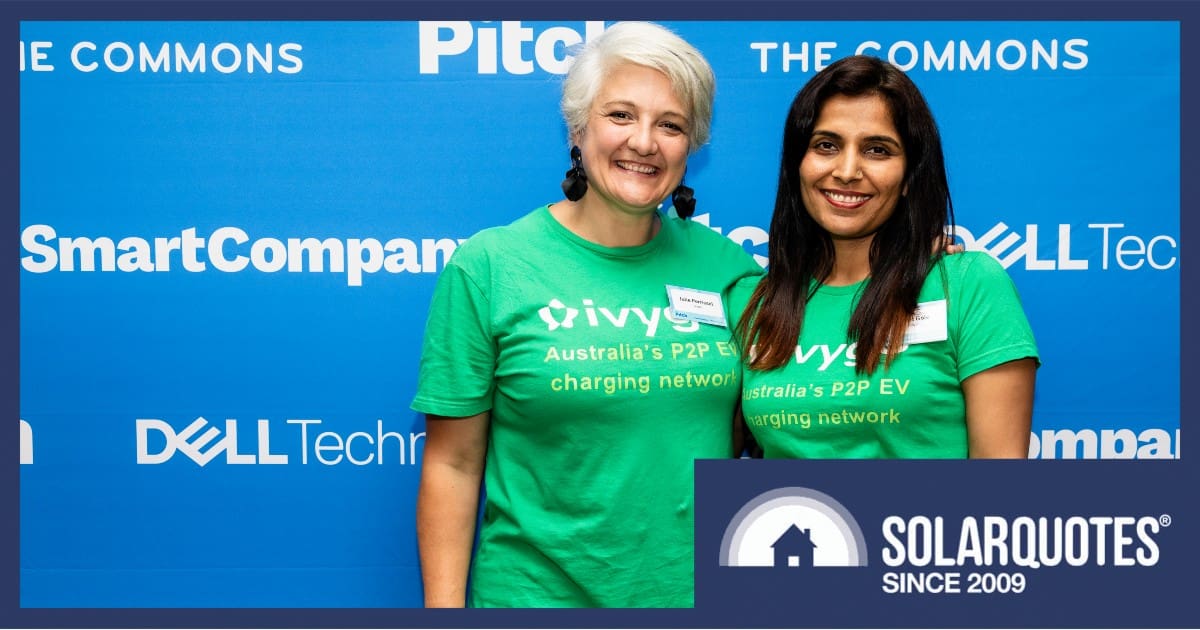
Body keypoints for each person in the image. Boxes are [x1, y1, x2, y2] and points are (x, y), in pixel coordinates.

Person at [412, 21, 763, 608]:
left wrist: (918, 268)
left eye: (670, 124)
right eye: (620, 115)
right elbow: (453, 464)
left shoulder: (729, 270)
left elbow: (825, 360)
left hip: (699, 602)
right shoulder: (491, 266)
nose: (645, 142)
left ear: (691, 146)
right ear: (578, 129)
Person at [731, 55, 1039, 459]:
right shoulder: (750, 303)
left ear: (910, 175)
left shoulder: (968, 286)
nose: (847, 170)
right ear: (797, 165)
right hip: (798, 522)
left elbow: (1002, 491)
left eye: (877, 150)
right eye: (826, 145)